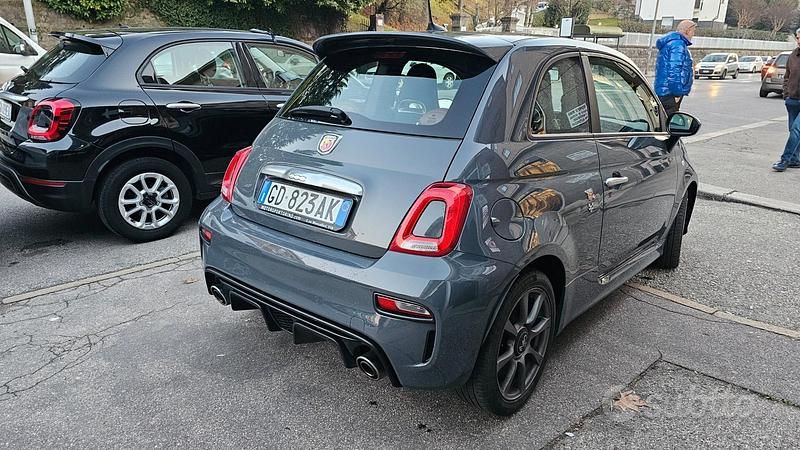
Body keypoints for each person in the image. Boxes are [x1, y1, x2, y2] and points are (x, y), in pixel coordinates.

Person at [654, 20, 697, 116]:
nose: (693, 34)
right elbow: (674, 70)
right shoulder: (678, 45)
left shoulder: (672, 43)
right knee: (669, 121)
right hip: (670, 93)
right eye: (693, 31)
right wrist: (677, 93)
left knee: (663, 118)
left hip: (665, 91)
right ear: (687, 31)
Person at [772, 28, 800, 171]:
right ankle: (795, 159)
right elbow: (787, 76)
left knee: (796, 129)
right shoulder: (793, 55)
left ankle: (785, 160)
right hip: (793, 100)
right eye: (799, 38)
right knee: (794, 131)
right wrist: (786, 94)